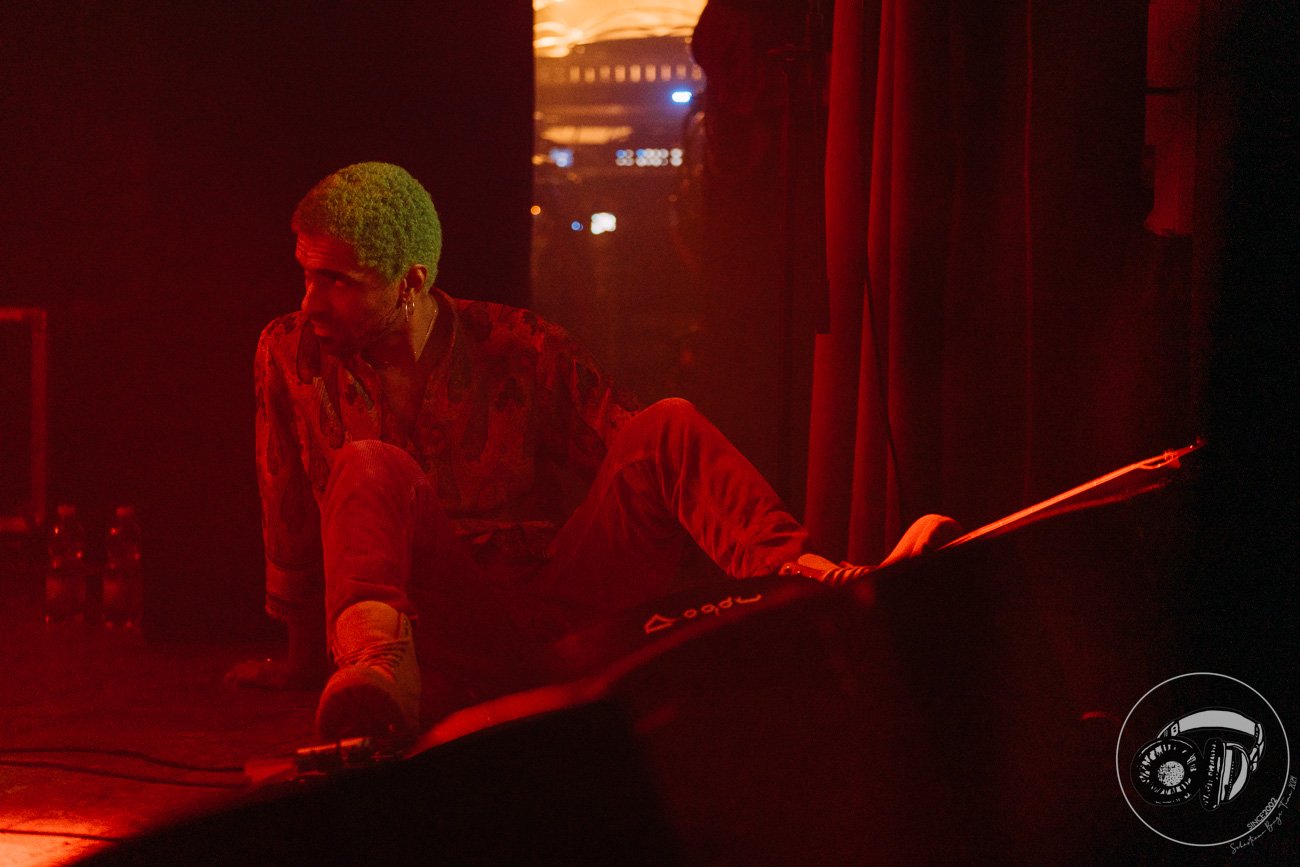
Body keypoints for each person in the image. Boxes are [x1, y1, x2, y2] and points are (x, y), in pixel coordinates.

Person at [225, 162, 958, 741]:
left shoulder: (519, 344)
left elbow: (643, 459)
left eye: (335, 281)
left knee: (667, 423)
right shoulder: (286, 350)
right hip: (431, 636)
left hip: (554, 615)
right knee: (367, 462)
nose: (310, 301)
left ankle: (820, 594)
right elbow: (287, 508)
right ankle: (374, 674)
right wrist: (301, 659)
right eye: (305, 273)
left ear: (410, 283)